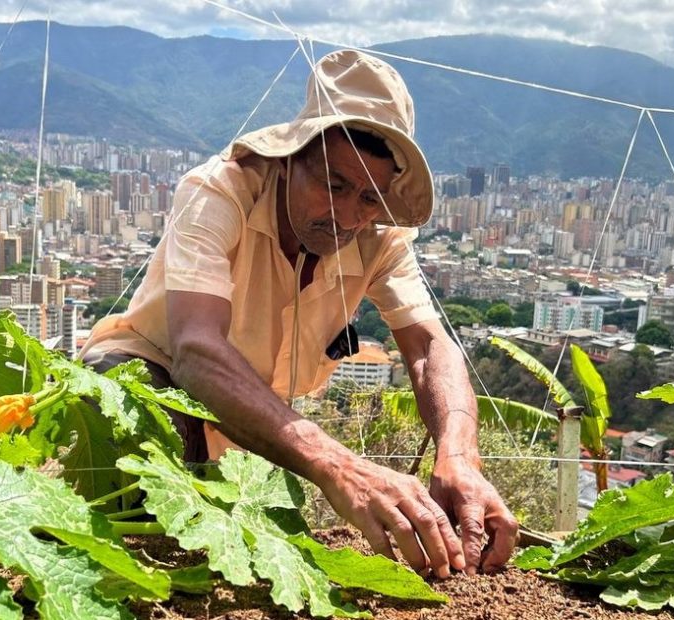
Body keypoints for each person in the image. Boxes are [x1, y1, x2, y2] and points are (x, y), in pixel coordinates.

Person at [80, 49, 517, 576]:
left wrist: (459, 459)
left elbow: (429, 348)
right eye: (332, 185)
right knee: (131, 403)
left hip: (250, 418)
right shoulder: (221, 190)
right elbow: (195, 350)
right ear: (290, 160)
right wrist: (341, 466)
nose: (347, 215)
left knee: (244, 559)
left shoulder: (378, 236)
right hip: (157, 377)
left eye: (370, 197)